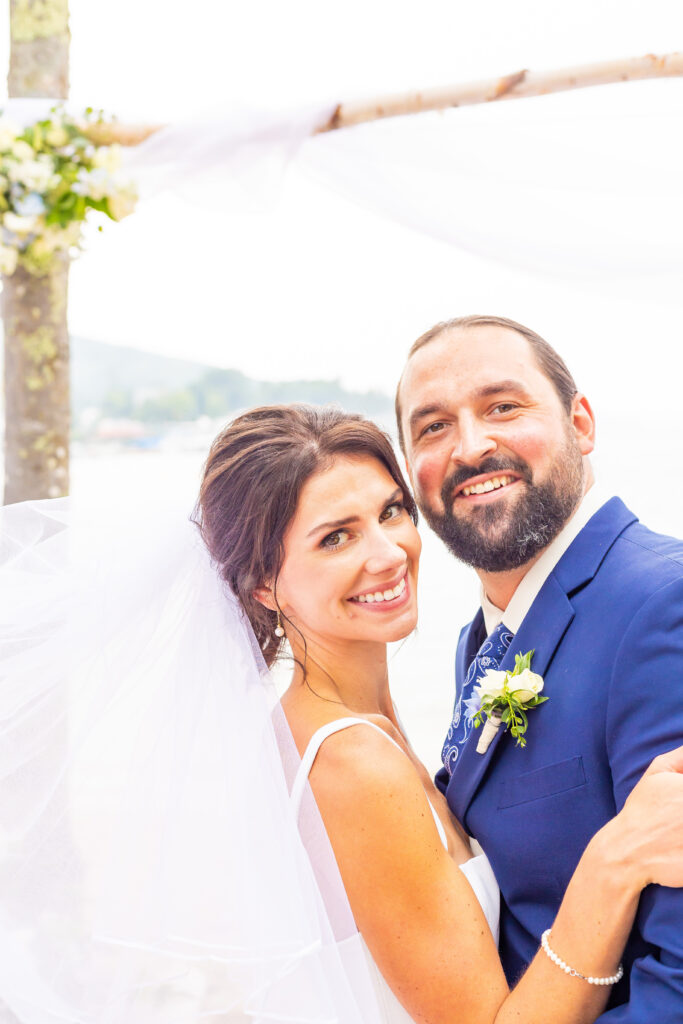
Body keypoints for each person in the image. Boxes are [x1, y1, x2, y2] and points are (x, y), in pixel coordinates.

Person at [2, 403, 683, 1023]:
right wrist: (614, 864)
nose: (387, 555)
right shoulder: (350, 762)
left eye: (389, 512)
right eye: (335, 538)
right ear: (262, 583)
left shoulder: (339, 721)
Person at [395, 314, 683, 1022]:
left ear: (580, 424)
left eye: (502, 406)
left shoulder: (662, 606)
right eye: (431, 428)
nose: (469, 446)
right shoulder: (484, 638)